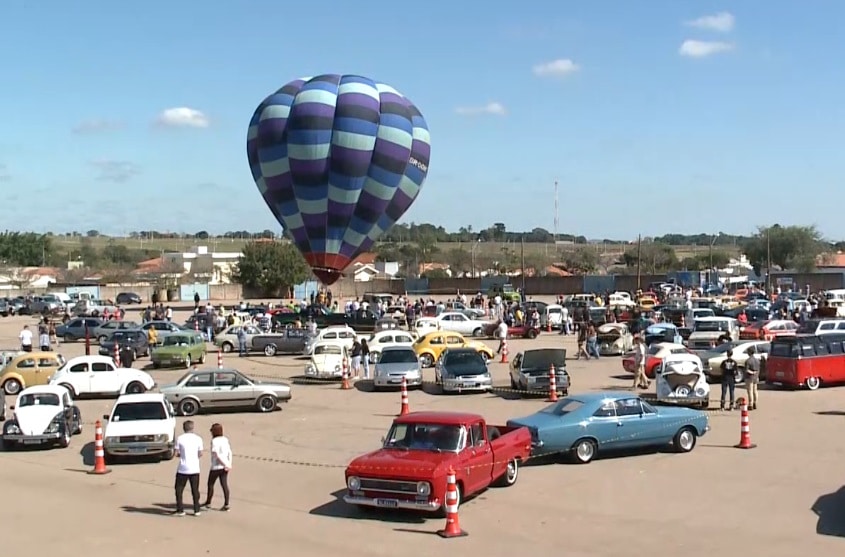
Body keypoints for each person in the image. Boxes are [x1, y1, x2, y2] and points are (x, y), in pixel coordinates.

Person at [174, 420, 204, 517]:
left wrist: (181, 455)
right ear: (192, 428)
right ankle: (196, 509)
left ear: (184, 428)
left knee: (179, 489)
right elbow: (200, 453)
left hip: (183, 468)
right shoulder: (198, 439)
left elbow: (176, 453)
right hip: (195, 468)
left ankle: (180, 509)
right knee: (195, 490)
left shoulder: (180, 438)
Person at [204, 423, 232, 511]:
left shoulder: (214, 441)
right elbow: (229, 452)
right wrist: (228, 464)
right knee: (224, 485)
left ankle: (208, 502)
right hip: (225, 466)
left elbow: (216, 454)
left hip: (216, 466)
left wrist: (223, 464)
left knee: (210, 484)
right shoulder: (225, 439)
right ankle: (226, 504)